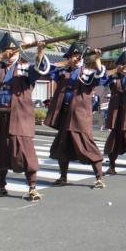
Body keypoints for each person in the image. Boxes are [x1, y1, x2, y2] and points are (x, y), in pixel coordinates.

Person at [0, 32, 50, 201]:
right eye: (6, 51)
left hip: (20, 117)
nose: (10, 54)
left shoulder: (25, 68)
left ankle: (32, 187)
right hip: (0, 118)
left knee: (25, 152)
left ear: (18, 51)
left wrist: (40, 52)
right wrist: (0, 56)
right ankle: (1, 186)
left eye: (13, 51)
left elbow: (41, 69)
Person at [44, 43, 106, 189]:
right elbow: (46, 68)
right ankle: (63, 176)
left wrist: (97, 59)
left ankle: (99, 177)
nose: (76, 58)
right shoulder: (62, 72)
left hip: (80, 115)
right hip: (65, 114)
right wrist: (66, 62)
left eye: (77, 56)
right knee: (62, 147)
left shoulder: (87, 73)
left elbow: (100, 77)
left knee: (87, 145)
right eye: (72, 55)